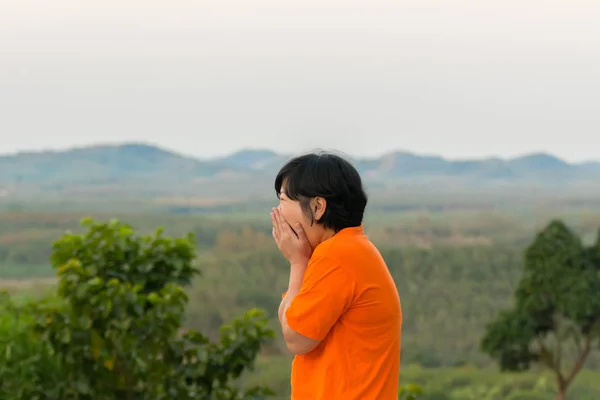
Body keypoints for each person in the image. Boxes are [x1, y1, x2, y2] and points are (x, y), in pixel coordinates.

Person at [270, 152, 402, 400]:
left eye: (284, 199)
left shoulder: (336, 256)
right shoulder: (351, 248)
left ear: (318, 207)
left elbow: (296, 339)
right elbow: (290, 315)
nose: (277, 211)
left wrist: (298, 262)